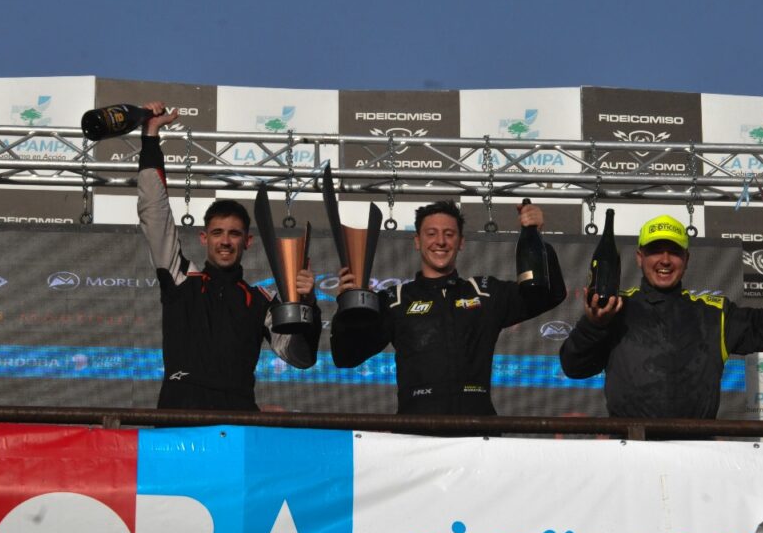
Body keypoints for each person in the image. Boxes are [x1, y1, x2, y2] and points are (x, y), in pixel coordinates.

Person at [137, 102, 321, 410]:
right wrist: (150, 138)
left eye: (234, 234)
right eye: (218, 233)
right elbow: (154, 212)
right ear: (204, 237)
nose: (225, 242)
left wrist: (308, 306)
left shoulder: (262, 302)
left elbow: (300, 357)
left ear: (247, 241)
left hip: (236, 421)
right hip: (179, 415)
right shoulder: (181, 278)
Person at [330, 199, 566, 415]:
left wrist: (537, 237)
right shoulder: (395, 300)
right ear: (417, 241)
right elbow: (346, 357)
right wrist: (346, 308)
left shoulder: (485, 293)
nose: (440, 241)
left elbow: (550, 295)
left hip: (477, 431)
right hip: (416, 433)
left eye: (449, 234)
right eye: (431, 234)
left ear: (461, 242)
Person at [560, 214, 763, 419]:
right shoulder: (616, 308)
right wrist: (594, 326)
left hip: (696, 452)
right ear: (639, 258)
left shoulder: (714, 313)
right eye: (655, 251)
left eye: (674, 251)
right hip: (631, 450)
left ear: (687, 259)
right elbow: (574, 368)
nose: (665, 260)